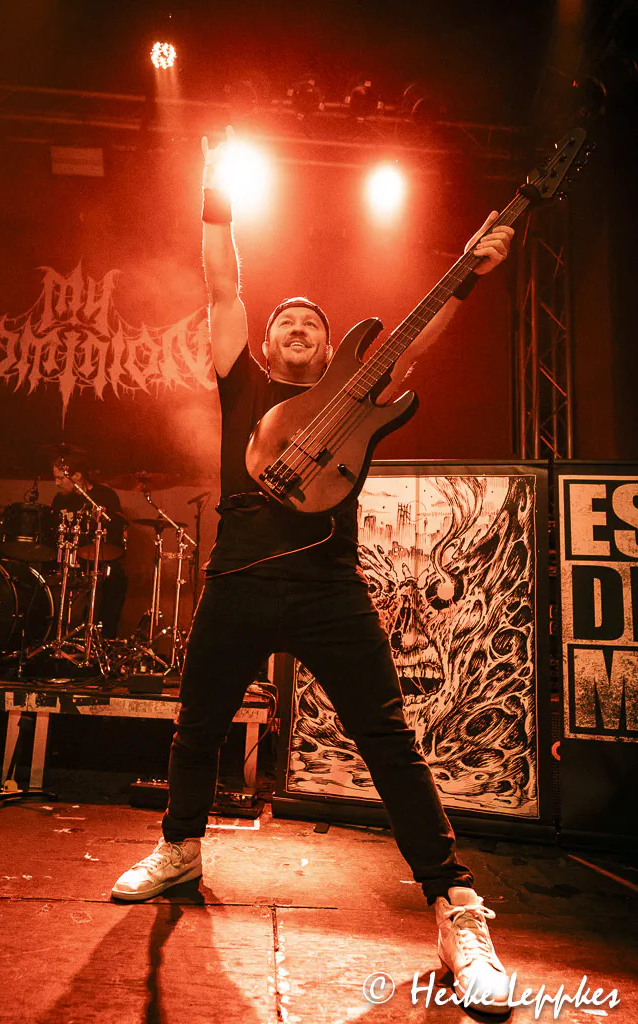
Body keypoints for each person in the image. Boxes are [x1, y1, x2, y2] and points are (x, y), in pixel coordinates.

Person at [112, 128, 515, 1014]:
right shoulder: (242, 386)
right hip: (238, 577)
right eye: (284, 323)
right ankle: (180, 847)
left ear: (335, 351)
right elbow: (222, 283)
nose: (297, 328)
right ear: (266, 343)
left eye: (312, 325)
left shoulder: (360, 401)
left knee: (388, 740)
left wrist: (471, 270)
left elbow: (418, 338)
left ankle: (453, 905)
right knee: (197, 727)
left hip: (331, 585)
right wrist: (215, 193)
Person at [51, 458, 128, 639]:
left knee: (117, 580)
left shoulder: (105, 495)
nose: (56, 483)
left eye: (61, 478)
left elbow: (118, 529)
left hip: (100, 561)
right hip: (69, 564)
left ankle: (103, 641)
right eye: (55, 478)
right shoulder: (59, 500)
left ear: (77, 476)